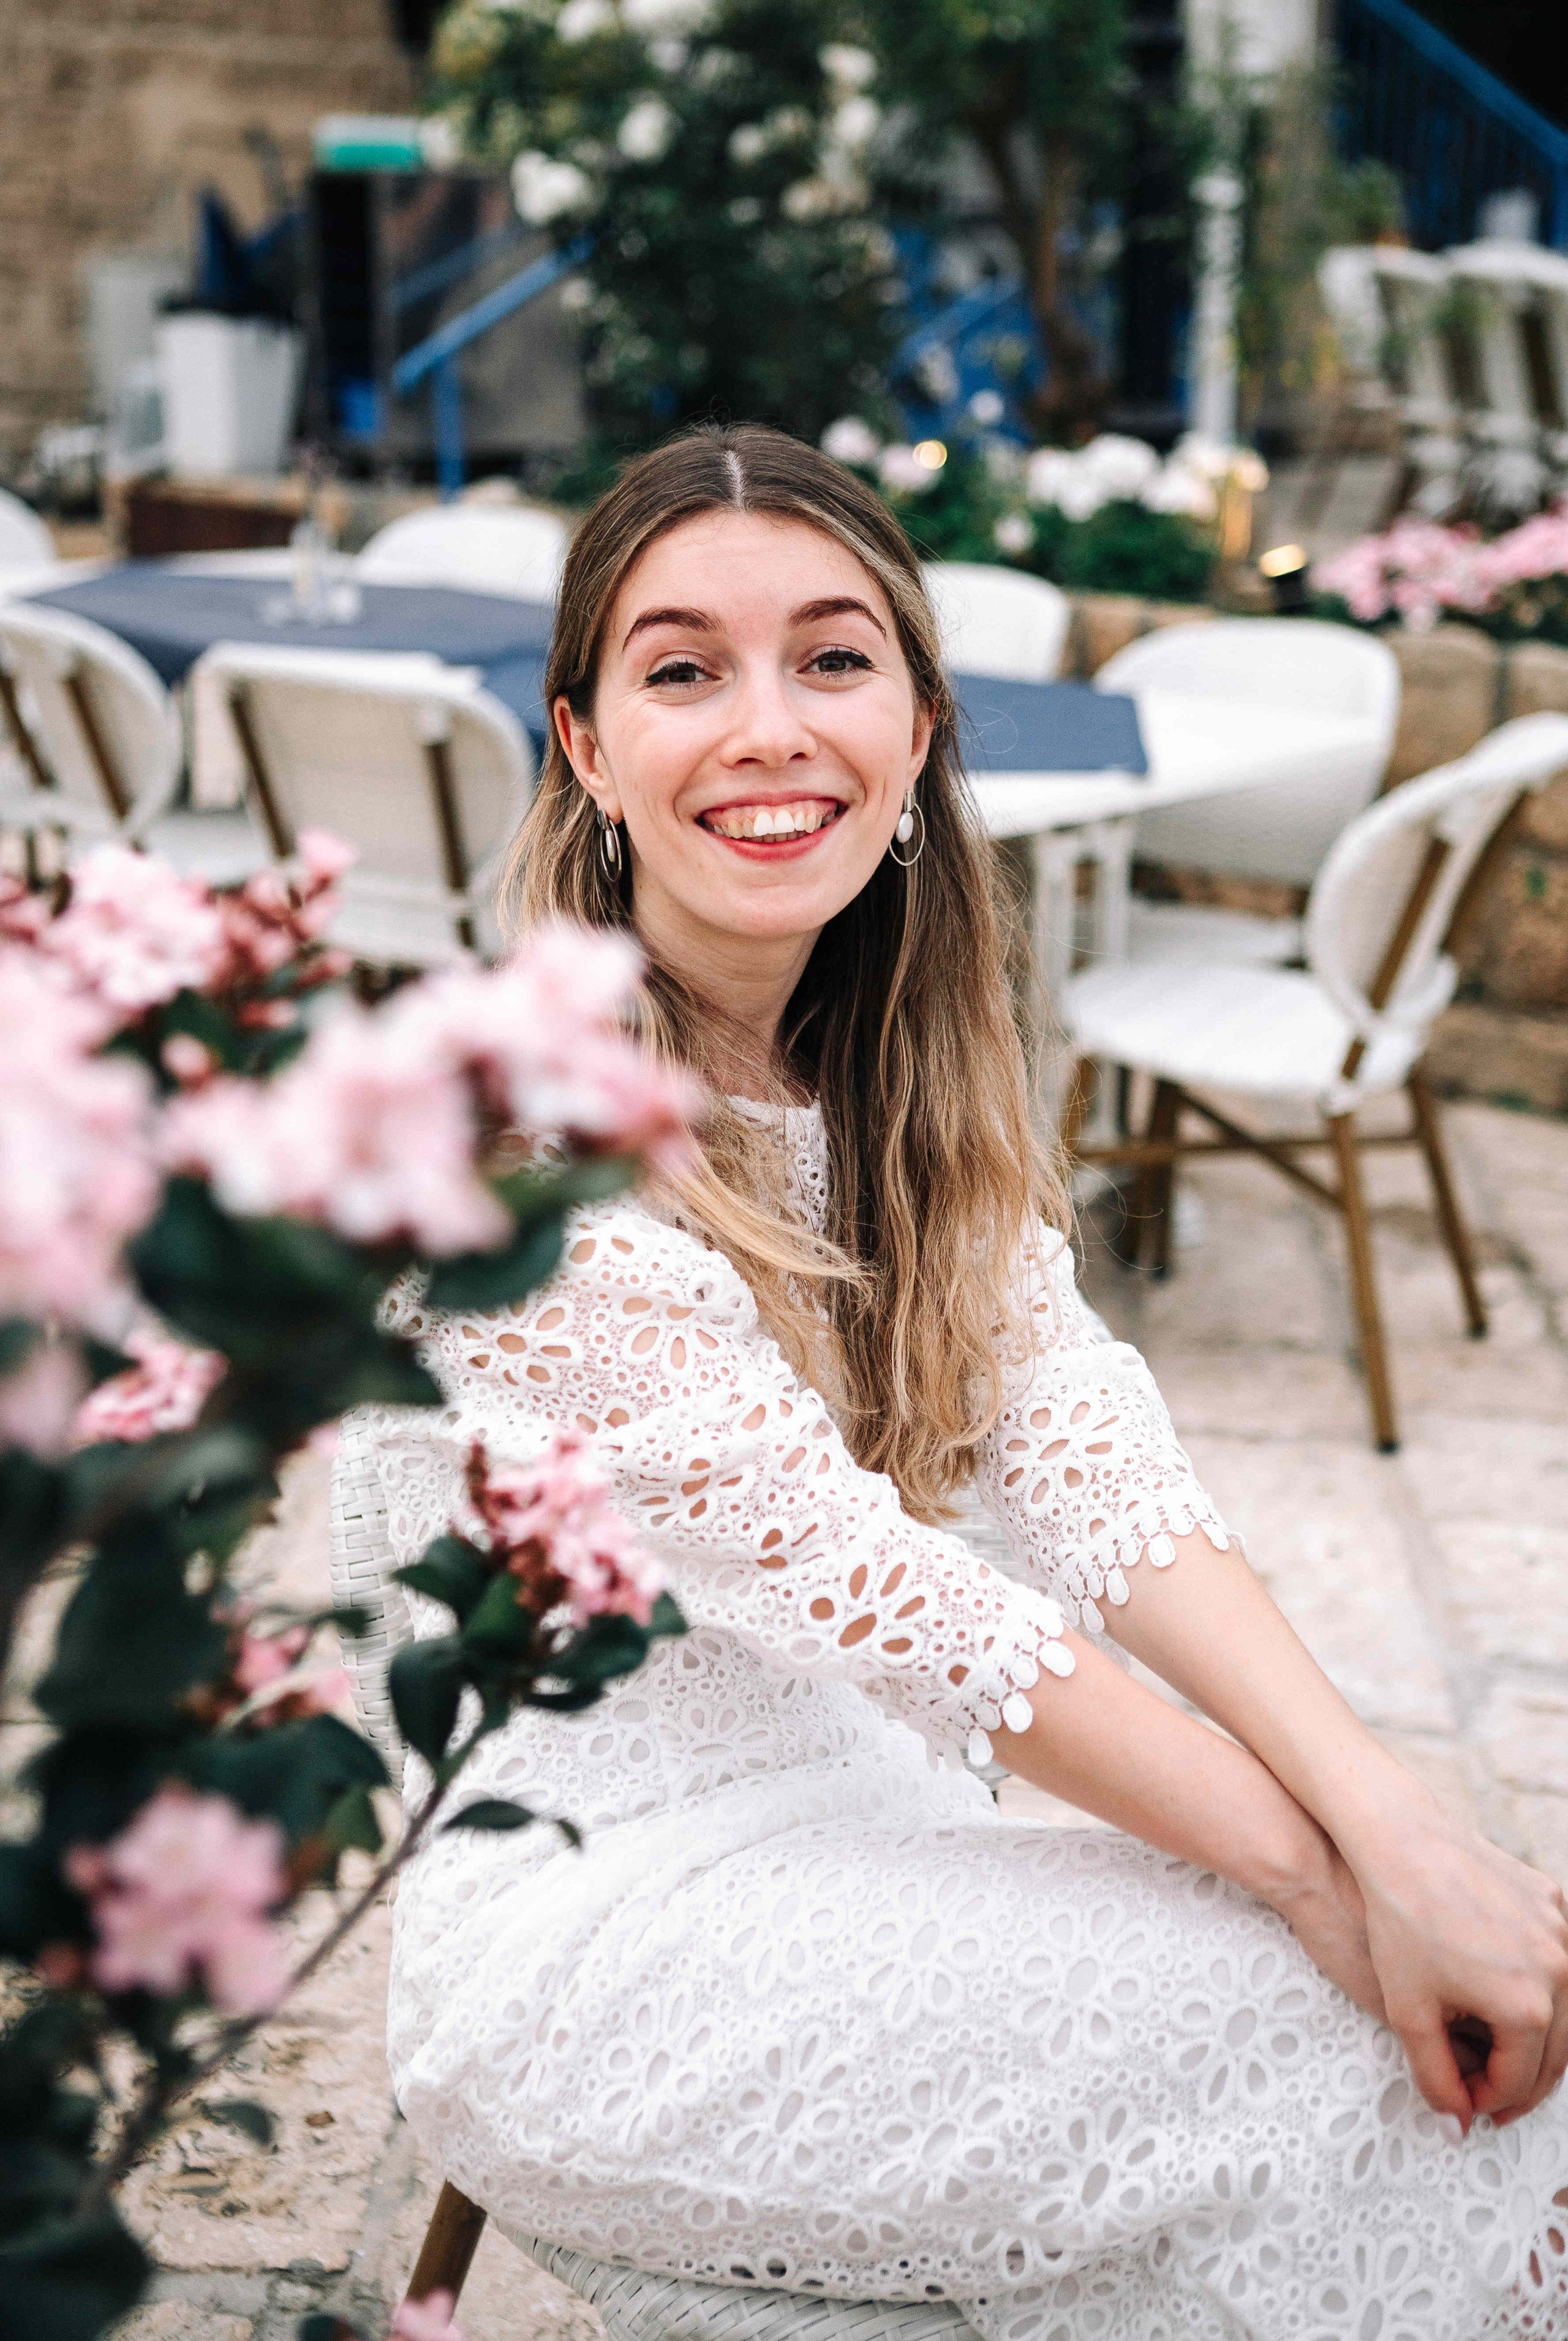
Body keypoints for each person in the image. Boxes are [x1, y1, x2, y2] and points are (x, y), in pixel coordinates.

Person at [342, 424, 1568, 2340]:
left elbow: (1094, 1468)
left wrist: (1392, 1822)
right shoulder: (524, 1132)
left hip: (874, 1829)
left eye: (834, 660)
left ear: (918, 730)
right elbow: (918, 1614)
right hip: (605, 1942)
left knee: (1445, 2022)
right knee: (1370, 2039)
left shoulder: (885, 1080)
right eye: (683, 670)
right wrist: (1341, 1892)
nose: (770, 728)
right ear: (585, 751)